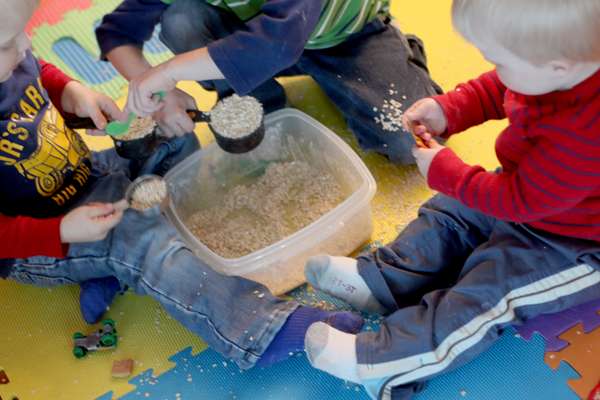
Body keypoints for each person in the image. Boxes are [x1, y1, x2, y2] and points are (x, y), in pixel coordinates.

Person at [0, 0, 364, 370]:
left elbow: (37, 72)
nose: (26, 45)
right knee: (147, 241)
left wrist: (73, 92)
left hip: (87, 175)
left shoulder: (12, 55)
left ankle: (109, 266)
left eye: (23, 32)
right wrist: (63, 230)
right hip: (41, 240)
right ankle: (260, 328)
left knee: (169, 138)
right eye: (7, 43)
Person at [302, 0, 600, 398]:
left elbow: (519, 202)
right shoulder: (547, 67)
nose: (495, 66)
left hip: (575, 243)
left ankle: (385, 362)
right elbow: (501, 87)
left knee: (488, 289)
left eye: (500, 58)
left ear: (558, 67)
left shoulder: (587, 134)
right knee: (450, 216)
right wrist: (450, 109)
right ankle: (384, 280)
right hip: (535, 189)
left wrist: (448, 173)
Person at [96, 0, 442, 165]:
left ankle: (401, 56)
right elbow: (116, 33)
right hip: (252, 41)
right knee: (181, 19)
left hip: (346, 38)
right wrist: (163, 92)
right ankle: (256, 103)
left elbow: (277, 43)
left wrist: (170, 70)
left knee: (407, 141)